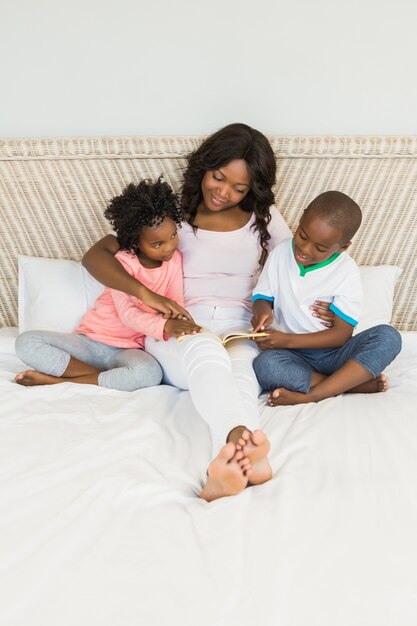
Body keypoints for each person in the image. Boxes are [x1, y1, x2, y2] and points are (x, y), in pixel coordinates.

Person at [82, 123, 333, 502]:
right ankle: (241, 445)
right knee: (207, 351)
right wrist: (146, 294)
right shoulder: (169, 215)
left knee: (241, 376)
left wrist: (327, 301)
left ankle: (235, 463)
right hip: (178, 324)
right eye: (218, 178)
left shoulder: (263, 217)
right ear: (204, 166)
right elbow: (94, 256)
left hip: (239, 324)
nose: (223, 193)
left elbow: (301, 263)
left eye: (239, 188)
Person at [15, 179, 201, 391]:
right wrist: (164, 326)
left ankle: (63, 380)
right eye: (158, 244)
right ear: (135, 242)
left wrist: (179, 319)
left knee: (150, 373)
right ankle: (104, 378)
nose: (169, 247)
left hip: (128, 350)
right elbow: (128, 315)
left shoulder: (175, 259)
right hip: (90, 343)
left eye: (173, 235)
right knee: (26, 342)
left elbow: (175, 301)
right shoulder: (122, 262)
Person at [251, 190, 402, 406]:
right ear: (301, 218)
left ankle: (314, 394)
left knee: (389, 337)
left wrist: (285, 340)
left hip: (338, 354)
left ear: (342, 248)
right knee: (265, 365)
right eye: (302, 235)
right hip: (295, 356)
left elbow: (341, 335)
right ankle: (349, 385)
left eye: (320, 248)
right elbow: (262, 297)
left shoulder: (346, 272)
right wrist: (262, 312)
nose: (304, 249)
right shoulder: (281, 253)